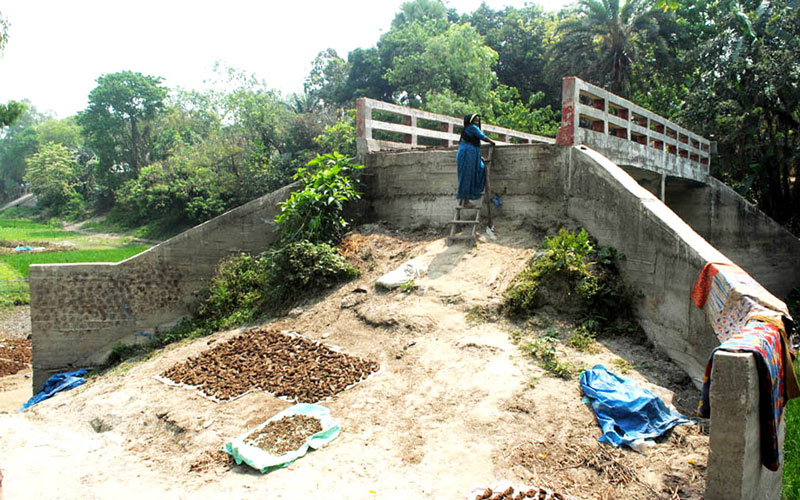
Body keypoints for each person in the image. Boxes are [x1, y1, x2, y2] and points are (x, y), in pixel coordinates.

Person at [456, 113, 495, 209]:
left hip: (470, 154)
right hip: (467, 154)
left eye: (478, 120)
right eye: (475, 120)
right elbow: (483, 137)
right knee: (468, 175)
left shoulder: (468, 129)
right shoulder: (472, 127)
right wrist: (492, 142)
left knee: (479, 170)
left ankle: (467, 199)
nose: (477, 123)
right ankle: (466, 201)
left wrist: (478, 157)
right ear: (471, 121)